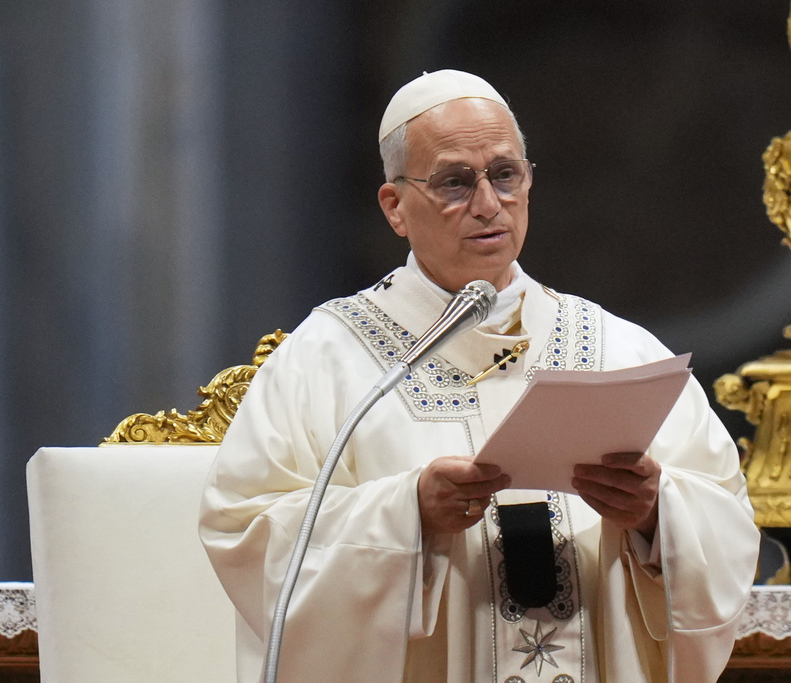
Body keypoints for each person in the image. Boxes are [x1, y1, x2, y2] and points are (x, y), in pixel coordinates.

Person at [199, 69, 759, 683]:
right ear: (394, 207)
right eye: (454, 182)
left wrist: (656, 514)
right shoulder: (326, 360)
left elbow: (727, 519)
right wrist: (408, 512)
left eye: (504, 174)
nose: (488, 204)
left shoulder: (620, 349)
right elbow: (246, 533)